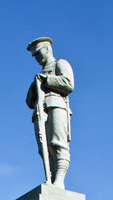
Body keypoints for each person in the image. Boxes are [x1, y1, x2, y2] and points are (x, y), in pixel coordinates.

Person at [26, 37, 74, 189]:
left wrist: (47, 80)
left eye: (39, 53)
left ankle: (59, 180)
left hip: (57, 105)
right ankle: (50, 179)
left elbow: (68, 84)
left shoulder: (60, 64)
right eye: (35, 56)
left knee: (57, 144)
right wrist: (35, 86)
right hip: (39, 111)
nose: (37, 58)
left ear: (47, 49)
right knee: (44, 149)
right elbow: (28, 102)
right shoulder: (38, 76)